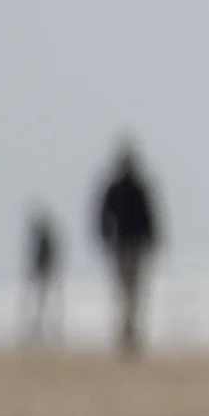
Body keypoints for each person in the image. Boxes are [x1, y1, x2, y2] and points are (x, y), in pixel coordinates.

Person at [91, 144, 160, 359]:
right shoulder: (119, 188)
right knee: (126, 292)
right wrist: (104, 237)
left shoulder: (138, 187)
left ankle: (130, 333)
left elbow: (150, 217)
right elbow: (103, 215)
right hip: (122, 245)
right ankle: (125, 333)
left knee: (132, 292)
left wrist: (152, 240)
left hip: (133, 245)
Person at [21, 206, 60, 349]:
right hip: (42, 273)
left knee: (43, 303)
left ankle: (43, 330)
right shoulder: (43, 238)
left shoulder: (44, 239)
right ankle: (37, 330)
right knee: (38, 303)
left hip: (44, 273)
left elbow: (47, 257)